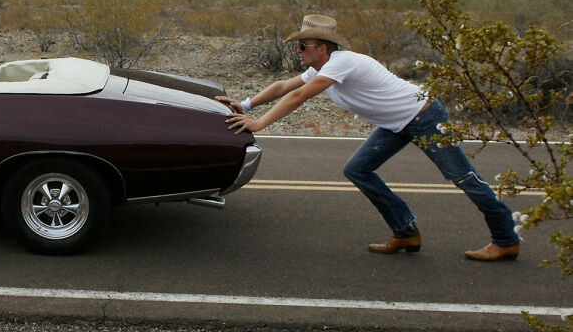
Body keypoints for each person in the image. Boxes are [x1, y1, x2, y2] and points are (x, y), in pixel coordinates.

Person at [218, 14, 521, 262]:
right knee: (357, 170)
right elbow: (284, 86)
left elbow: (298, 96)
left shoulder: (342, 62)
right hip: (394, 124)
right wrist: (245, 105)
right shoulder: (320, 67)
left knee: (462, 177)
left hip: (424, 117)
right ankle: (405, 232)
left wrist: (258, 123)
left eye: (303, 47)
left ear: (322, 47)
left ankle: (506, 239)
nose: (298, 52)